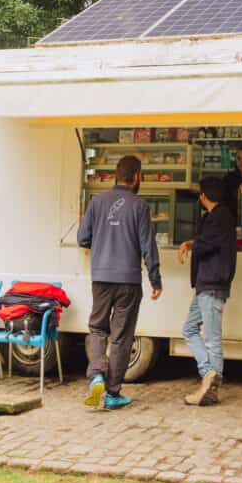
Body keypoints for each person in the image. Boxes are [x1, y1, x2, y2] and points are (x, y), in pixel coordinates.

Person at [77, 155, 162, 410]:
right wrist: (155, 280)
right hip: (128, 280)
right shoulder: (140, 206)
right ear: (136, 176)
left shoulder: (96, 202)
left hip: (101, 278)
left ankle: (96, 376)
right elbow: (148, 247)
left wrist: (103, 241)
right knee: (121, 337)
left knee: (98, 328)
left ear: (116, 175)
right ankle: (113, 393)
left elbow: (82, 238)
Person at [178, 176, 237, 406]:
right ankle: (209, 375)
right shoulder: (219, 217)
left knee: (211, 338)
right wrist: (191, 243)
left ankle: (210, 379)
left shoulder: (218, 217)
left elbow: (207, 244)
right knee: (189, 329)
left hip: (212, 284)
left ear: (203, 196)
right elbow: (206, 241)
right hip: (207, 284)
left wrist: (192, 244)